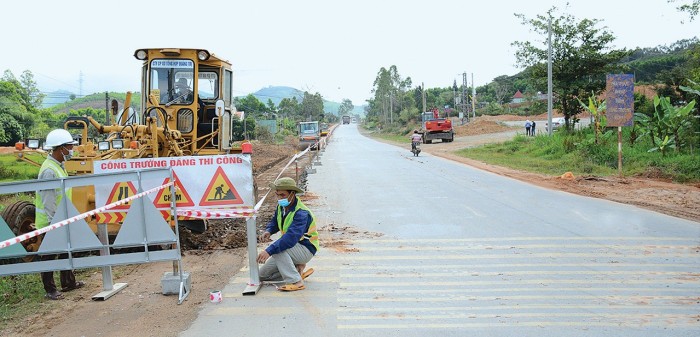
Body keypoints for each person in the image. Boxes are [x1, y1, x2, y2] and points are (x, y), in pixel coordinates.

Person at [36, 129, 85, 300]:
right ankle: (50, 290)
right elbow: (48, 201)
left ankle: (68, 283)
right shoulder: (49, 171)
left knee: (66, 250)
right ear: (60, 148)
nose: (72, 150)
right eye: (70, 147)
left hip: (62, 218)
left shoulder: (58, 166)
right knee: (49, 255)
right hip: (51, 221)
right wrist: (54, 224)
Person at [257, 177, 319, 292]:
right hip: (292, 248)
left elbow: (290, 239)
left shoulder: (302, 213)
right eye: (277, 195)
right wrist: (269, 231)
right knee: (261, 275)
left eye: (282, 195)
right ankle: (296, 271)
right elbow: (275, 222)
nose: (279, 198)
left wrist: (269, 251)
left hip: (305, 248)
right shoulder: (281, 207)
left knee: (277, 250)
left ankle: (296, 281)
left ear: (292, 194)